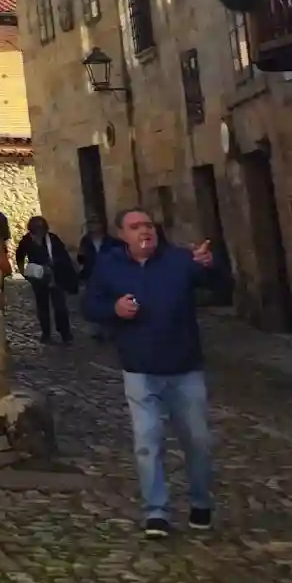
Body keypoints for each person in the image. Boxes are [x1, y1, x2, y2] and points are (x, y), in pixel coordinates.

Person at [82, 207, 230, 539]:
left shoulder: (180, 260)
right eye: (135, 227)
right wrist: (114, 309)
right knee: (147, 442)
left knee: (198, 440)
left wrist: (211, 265)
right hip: (139, 368)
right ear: (122, 235)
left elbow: (221, 286)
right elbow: (90, 306)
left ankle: (200, 502)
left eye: (148, 225)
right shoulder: (110, 266)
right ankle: (156, 512)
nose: (144, 231)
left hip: (184, 366)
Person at [13, 215, 78, 344]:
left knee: (60, 307)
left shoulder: (53, 239)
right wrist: (25, 273)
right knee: (42, 307)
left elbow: (63, 256)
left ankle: (65, 334)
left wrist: (54, 265)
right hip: (38, 279)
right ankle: (46, 333)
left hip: (55, 277)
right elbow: (19, 256)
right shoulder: (26, 241)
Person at [75, 218, 116, 341]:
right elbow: (81, 258)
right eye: (91, 224)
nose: (93, 226)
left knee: (108, 301)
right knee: (93, 301)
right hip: (91, 275)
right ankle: (97, 330)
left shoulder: (111, 241)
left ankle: (109, 329)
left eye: (95, 223)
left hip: (108, 276)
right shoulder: (86, 241)